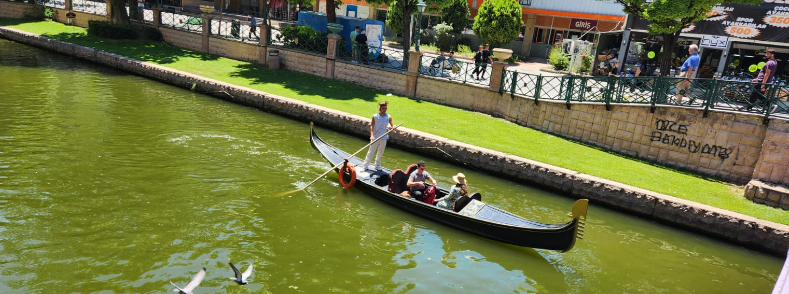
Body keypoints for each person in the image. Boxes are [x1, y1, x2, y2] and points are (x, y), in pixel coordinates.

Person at [363, 101, 394, 171]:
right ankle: (365, 165)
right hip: (375, 137)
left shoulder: (388, 116)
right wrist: (371, 135)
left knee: (381, 152)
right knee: (371, 151)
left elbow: (392, 124)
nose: (385, 110)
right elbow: (372, 126)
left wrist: (393, 127)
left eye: (386, 108)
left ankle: (377, 165)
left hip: (384, 137)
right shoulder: (375, 116)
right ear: (379, 108)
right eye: (383, 108)